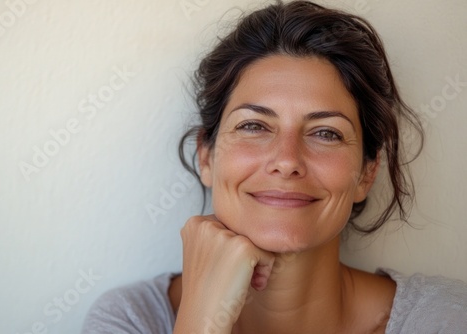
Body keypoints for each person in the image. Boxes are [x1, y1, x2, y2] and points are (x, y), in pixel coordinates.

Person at [81, 1, 467, 333]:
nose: (286, 160)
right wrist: (201, 322)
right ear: (206, 157)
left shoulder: (446, 320)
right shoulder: (132, 320)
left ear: (367, 173)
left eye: (326, 133)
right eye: (253, 126)